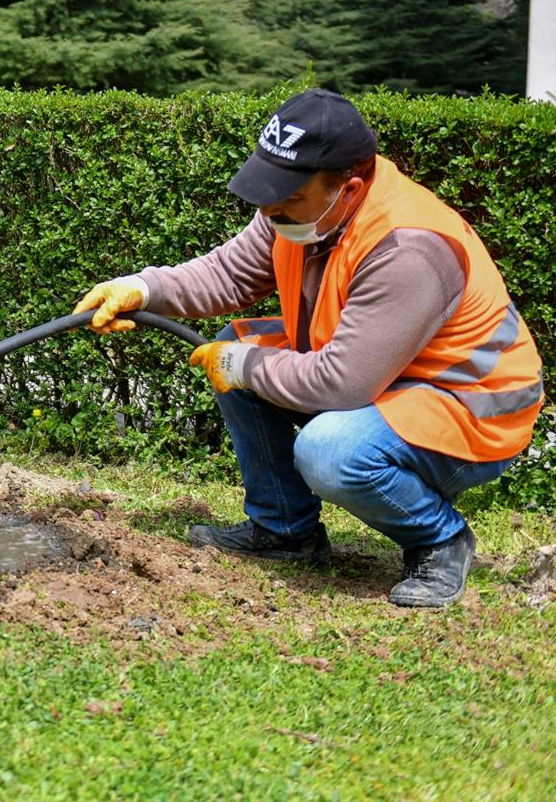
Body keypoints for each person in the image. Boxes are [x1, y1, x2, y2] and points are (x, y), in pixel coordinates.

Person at [74, 88, 544, 608]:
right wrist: (142, 289)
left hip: (468, 406)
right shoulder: (303, 212)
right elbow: (230, 274)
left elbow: (342, 384)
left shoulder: (409, 247)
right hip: (391, 375)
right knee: (239, 343)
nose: (272, 208)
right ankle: (284, 531)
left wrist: (247, 366)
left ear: (350, 187)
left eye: (290, 196)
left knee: (328, 450)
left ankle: (439, 539)